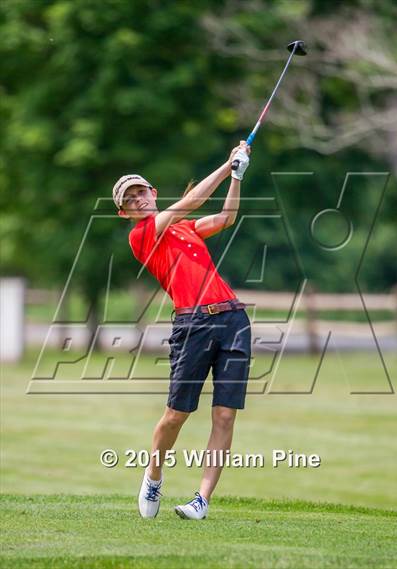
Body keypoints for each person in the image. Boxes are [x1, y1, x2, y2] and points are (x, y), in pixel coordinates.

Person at [112, 141, 251, 520]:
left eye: (142, 192)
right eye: (131, 198)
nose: (139, 199)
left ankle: (201, 500)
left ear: (153, 193)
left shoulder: (186, 230)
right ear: (124, 212)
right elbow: (189, 203)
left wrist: (237, 176)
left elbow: (224, 218)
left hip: (233, 319)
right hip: (193, 324)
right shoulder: (141, 236)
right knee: (176, 415)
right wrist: (226, 166)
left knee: (224, 416)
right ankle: (154, 474)